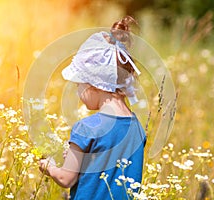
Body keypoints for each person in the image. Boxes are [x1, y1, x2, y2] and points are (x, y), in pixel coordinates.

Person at [39, 16, 146, 200]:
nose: (78, 93)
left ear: (95, 85)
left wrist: (48, 167)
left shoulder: (87, 128)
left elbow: (66, 178)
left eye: (78, 85)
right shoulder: (137, 127)